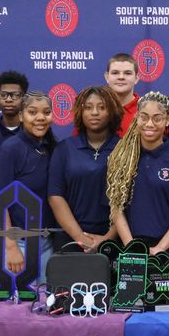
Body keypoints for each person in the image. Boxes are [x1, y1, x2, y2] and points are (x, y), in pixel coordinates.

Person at [107, 91, 169, 254]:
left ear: (167, 121)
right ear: (136, 118)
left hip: (168, 250)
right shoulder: (121, 158)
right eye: (144, 117)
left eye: (157, 118)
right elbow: (115, 207)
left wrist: (160, 248)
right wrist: (131, 246)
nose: (149, 124)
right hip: (130, 248)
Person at [0, 90, 56, 280]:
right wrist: (10, 246)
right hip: (19, 244)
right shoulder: (10, 150)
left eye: (46, 112)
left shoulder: (52, 147)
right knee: (17, 308)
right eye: (32, 112)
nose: (40, 118)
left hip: (46, 243)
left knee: (44, 305)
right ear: (20, 116)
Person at [48, 85, 122, 252]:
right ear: (80, 112)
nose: (94, 112)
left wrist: (107, 239)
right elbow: (55, 197)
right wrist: (81, 239)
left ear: (112, 112)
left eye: (102, 107)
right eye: (88, 107)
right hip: (70, 238)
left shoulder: (124, 149)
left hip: (114, 240)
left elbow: (130, 200)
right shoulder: (65, 148)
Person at [0, 70, 28, 154]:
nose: (8, 99)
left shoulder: (33, 134)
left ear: (24, 99)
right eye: (3, 95)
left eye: (15, 95)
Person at [103, 52, 141, 136]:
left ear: (136, 78)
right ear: (107, 77)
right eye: (115, 73)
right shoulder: (95, 110)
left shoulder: (146, 110)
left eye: (127, 73)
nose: (121, 77)